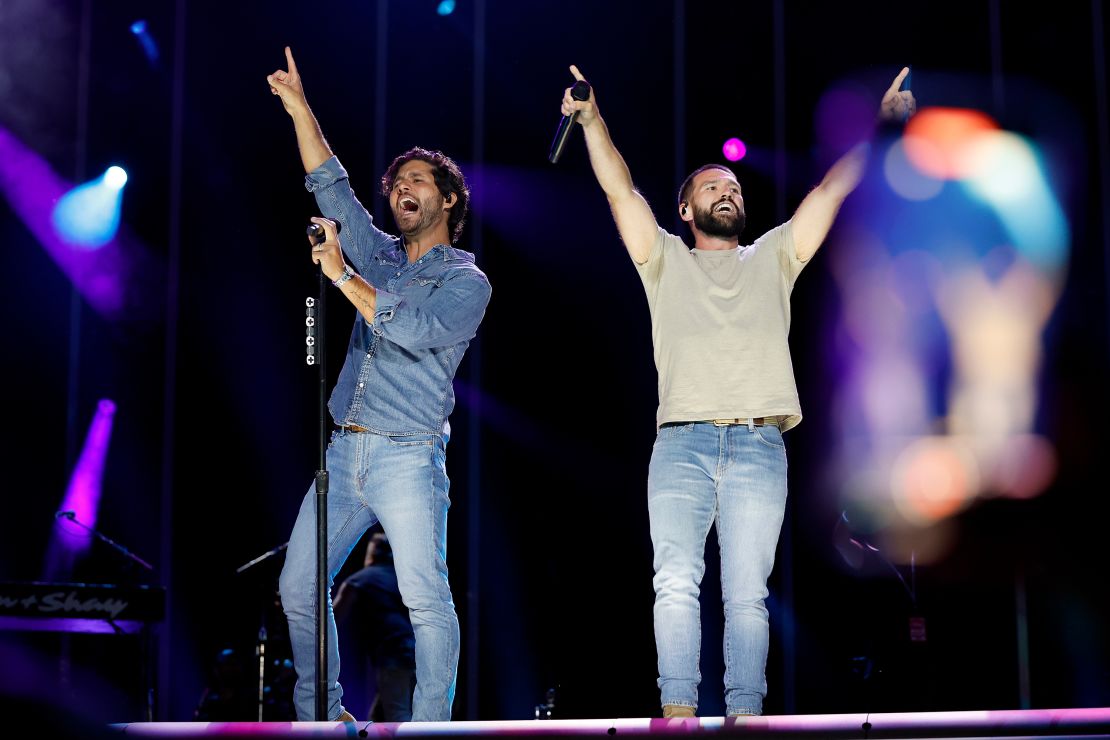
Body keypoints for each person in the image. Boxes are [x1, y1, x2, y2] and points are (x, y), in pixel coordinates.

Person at [560, 64, 915, 717]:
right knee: (674, 583)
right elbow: (619, 192)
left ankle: (746, 715)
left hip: (758, 444)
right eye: (711, 187)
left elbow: (830, 193)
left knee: (748, 592)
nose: (727, 192)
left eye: (732, 187)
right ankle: (676, 712)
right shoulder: (664, 259)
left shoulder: (774, 256)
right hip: (681, 446)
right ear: (685, 208)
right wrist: (591, 120)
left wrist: (880, 129)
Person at [266, 46, 491, 723]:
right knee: (299, 585)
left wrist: (340, 276)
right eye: (396, 183)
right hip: (344, 451)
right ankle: (322, 717)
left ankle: (429, 726)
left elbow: (411, 328)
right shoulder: (380, 258)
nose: (400, 189)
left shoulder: (465, 281)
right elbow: (331, 185)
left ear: (448, 199)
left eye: (416, 180)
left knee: (424, 598)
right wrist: (302, 108)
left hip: (407, 455)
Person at [333, 532, 417, 722]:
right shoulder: (404, 578)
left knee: (398, 718)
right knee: (378, 718)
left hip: (394, 656)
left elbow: (332, 620)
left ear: (371, 554)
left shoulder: (361, 579)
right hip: (420, 656)